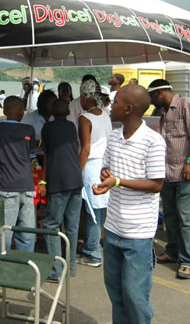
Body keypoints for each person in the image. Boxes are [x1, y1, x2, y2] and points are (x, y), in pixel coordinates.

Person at [93, 84, 166, 324]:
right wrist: (106, 179)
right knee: (116, 294)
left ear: (129, 109)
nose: (111, 106)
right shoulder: (113, 136)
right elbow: (107, 167)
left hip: (139, 233)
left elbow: (156, 184)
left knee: (135, 296)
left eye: (115, 103)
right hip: (114, 228)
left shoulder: (152, 141)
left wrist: (119, 181)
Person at [148, 79, 190, 280]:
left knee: (188, 217)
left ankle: (189, 260)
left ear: (159, 93)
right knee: (171, 216)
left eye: (151, 97)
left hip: (188, 172)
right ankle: (173, 250)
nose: (150, 102)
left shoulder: (187, 105)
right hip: (169, 172)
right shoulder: (164, 113)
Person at [0, 96, 38, 275]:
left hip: (7, 188)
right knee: (27, 235)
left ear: (4, 111)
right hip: (28, 187)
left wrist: (0, 181)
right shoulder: (29, 129)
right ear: (22, 112)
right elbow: (31, 162)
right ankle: (20, 272)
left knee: (3, 234)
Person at [41, 99, 82, 282]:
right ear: (67, 111)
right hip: (75, 179)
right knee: (72, 226)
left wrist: (43, 180)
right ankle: (71, 267)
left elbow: (47, 156)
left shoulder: (48, 128)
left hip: (58, 180)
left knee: (51, 224)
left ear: (51, 110)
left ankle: (56, 271)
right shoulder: (72, 127)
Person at [78, 80, 112, 268]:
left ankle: (92, 252)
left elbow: (85, 148)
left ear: (84, 97)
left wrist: (78, 170)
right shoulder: (106, 115)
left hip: (91, 165)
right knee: (100, 209)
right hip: (105, 165)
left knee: (91, 210)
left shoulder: (85, 118)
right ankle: (96, 245)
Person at [22, 90, 57, 165]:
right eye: (52, 104)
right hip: (34, 160)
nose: (55, 107)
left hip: (54, 158)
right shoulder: (29, 120)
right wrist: (35, 142)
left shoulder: (57, 118)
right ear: (43, 105)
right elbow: (22, 139)